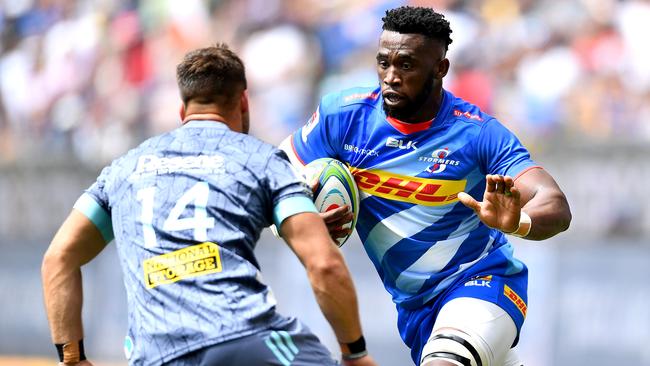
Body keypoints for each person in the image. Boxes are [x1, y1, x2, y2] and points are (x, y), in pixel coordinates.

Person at [42, 44, 377, 366]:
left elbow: (59, 258)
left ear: (182, 110)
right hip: (245, 338)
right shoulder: (261, 159)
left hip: (156, 354)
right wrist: (354, 351)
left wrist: (71, 359)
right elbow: (325, 265)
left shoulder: (124, 168)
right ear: (244, 103)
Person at [280, 6, 572, 366]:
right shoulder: (343, 117)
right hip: (417, 311)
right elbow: (275, 179)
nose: (390, 76)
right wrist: (297, 217)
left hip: (483, 284)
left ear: (440, 68)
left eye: (406, 65)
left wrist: (518, 222)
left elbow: (554, 203)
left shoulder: (476, 133)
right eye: (383, 63)